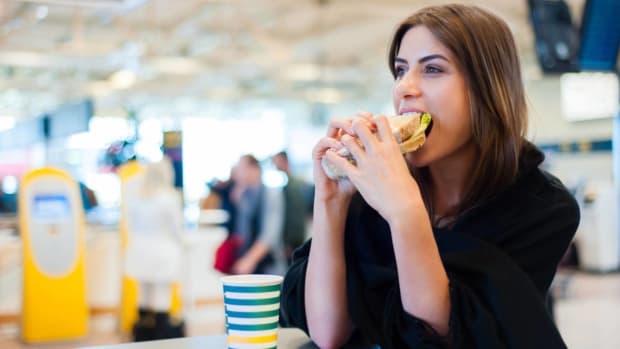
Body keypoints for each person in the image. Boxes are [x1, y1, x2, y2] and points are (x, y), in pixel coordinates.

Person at [279, 4, 579, 349]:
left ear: (487, 89)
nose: (404, 87)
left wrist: (405, 213)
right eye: (400, 70)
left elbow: (447, 337)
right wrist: (331, 201)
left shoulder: (542, 208)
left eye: (433, 69)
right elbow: (328, 334)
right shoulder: (372, 183)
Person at [124, 158, 185, 341]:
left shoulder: (136, 196)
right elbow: (176, 228)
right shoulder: (169, 197)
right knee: (161, 294)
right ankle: (162, 335)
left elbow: (131, 225)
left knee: (143, 294)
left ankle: (141, 336)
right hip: (162, 251)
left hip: (139, 250)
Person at [230, 154, 287, 275]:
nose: (237, 173)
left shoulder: (271, 194)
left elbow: (270, 235)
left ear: (254, 169)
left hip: (269, 266)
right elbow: (241, 233)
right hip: (249, 266)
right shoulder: (245, 195)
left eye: (241, 168)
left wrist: (249, 260)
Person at [271, 151, 311, 263]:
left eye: (276, 161)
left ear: (284, 161)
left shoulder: (292, 186)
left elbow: (295, 216)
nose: (274, 165)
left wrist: (289, 243)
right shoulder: (292, 183)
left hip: (294, 242)